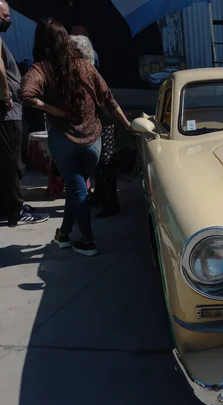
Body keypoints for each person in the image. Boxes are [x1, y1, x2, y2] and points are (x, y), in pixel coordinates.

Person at [19, 18, 131, 256]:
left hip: (64, 141)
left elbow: (26, 94)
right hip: (93, 140)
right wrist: (128, 125)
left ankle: (88, 242)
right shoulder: (85, 66)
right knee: (77, 187)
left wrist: (53, 109)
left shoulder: (40, 69)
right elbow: (110, 100)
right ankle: (64, 233)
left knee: (76, 188)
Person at [0, 0, 49, 227]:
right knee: (13, 163)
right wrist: (6, 95)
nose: (8, 20)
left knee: (9, 161)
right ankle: (16, 210)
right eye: (4, 16)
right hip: (8, 112)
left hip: (11, 110)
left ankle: (9, 206)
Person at [71, 34, 120, 218]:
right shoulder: (80, 72)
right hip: (94, 124)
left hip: (103, 124)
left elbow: (107, 103)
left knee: (106, 163)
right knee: (98, 164)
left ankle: (111, 204)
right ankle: (100, 197)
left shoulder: (90, 73)